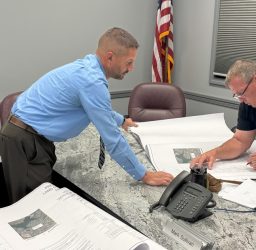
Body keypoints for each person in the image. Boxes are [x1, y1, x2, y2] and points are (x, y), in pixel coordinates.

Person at [0, 27, 173, 204]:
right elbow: (113, 140)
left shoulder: (87, 69)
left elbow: (97, 109)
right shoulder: (92, 82)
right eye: (129, 62)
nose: (132, 68)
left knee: (41, 202)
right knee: (33, 207)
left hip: (30, 136)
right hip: (25, 141)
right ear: (110, 57)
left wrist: (121, 120)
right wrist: (144, 175)